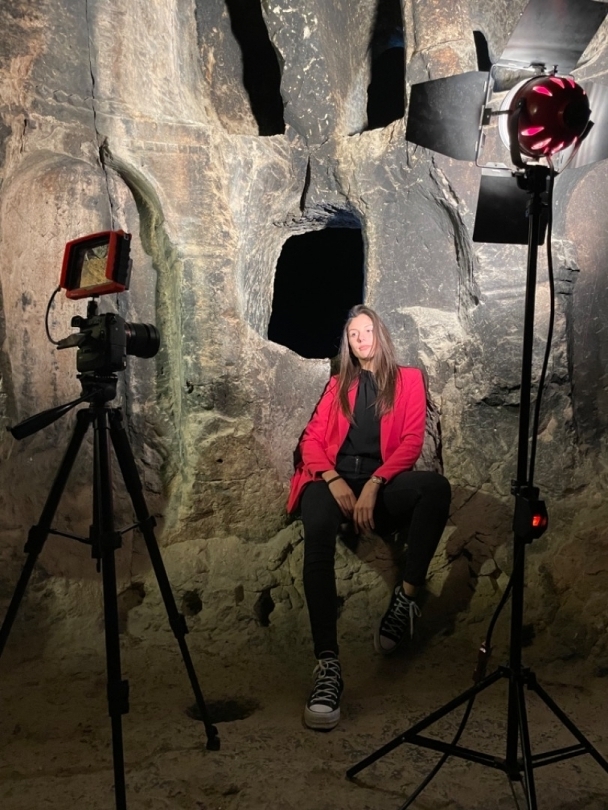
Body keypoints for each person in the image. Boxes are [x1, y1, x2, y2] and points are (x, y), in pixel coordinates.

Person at [287, 305, 451, 731]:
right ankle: (328, 667)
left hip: (383, 481)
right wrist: (332, 479)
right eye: (353, 334)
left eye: (367, 330)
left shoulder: (409, 380)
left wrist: (375, 483)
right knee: (316, 527)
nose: (361, 339)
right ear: (348, 343)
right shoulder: (338, 385)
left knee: (435, 488)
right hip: (334, 481)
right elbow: (311, 441)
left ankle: (406, 597)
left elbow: (411, 441)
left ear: (381, 333)